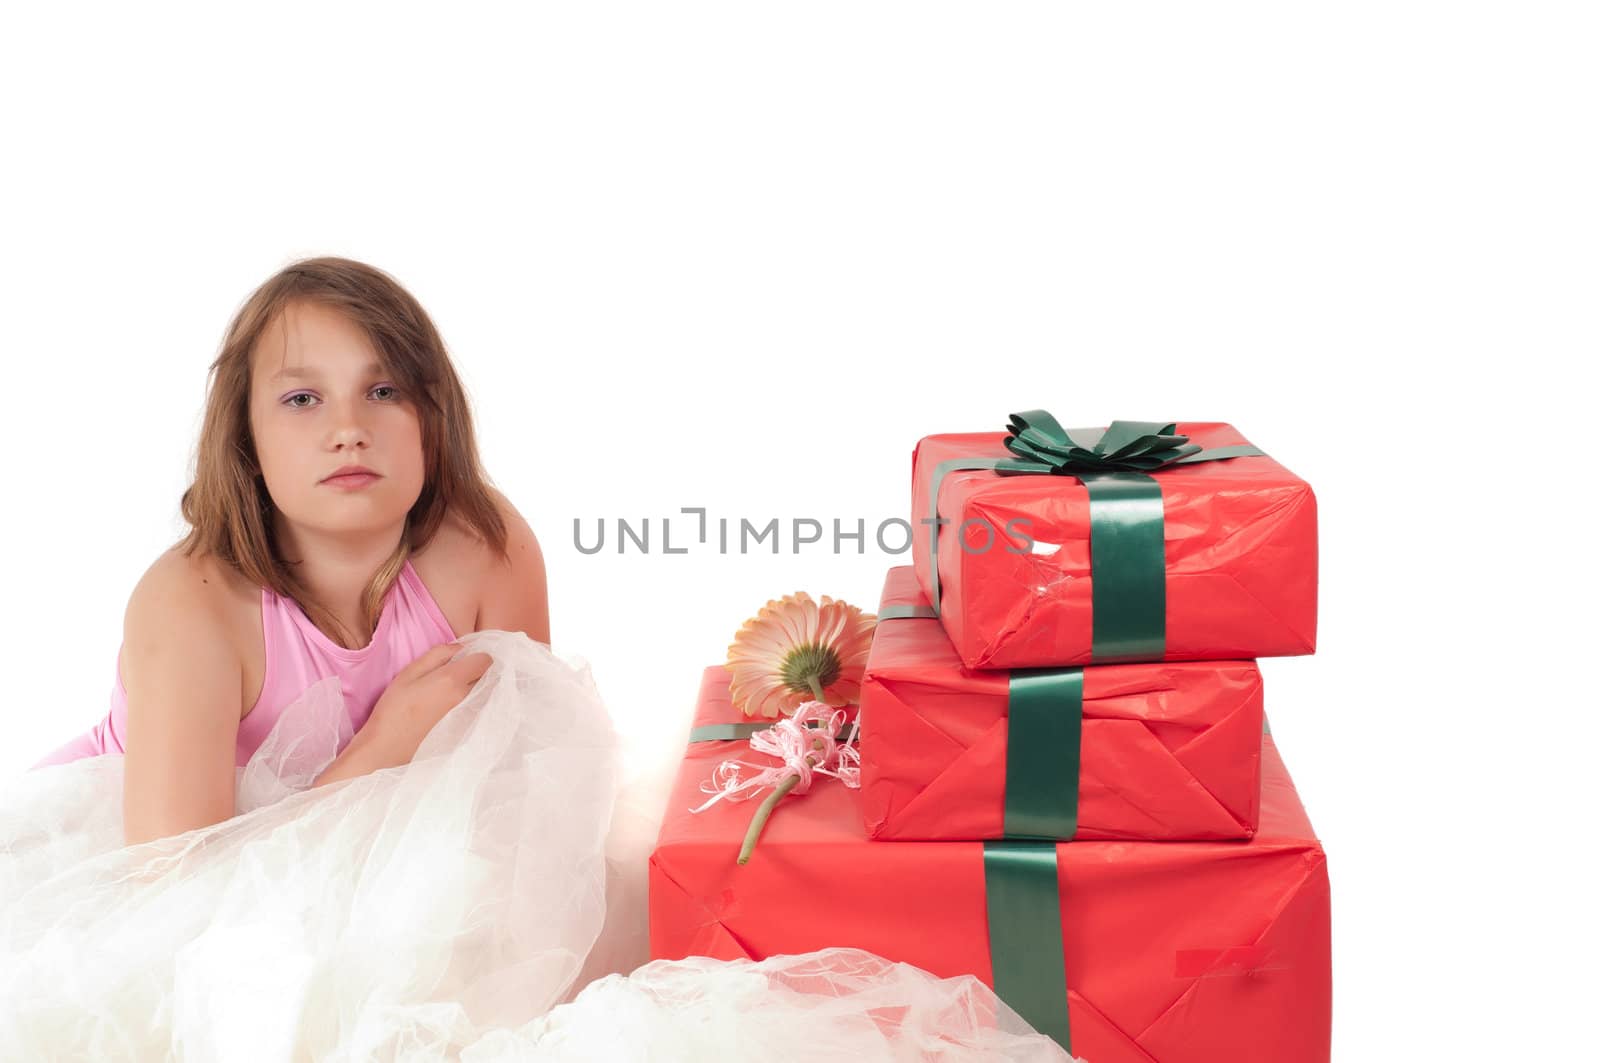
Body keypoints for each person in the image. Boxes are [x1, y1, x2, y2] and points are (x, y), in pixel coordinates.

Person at [28, 255, 550, 847]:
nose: (349, 428)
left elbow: (531, 778)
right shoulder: (192, 604)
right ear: (246, 439)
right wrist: (384, 747)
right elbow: (171, 890)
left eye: (383, 390)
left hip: (384, 859)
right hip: (159, 872)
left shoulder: (484, 544)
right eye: (303, 399)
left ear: (434, 418)